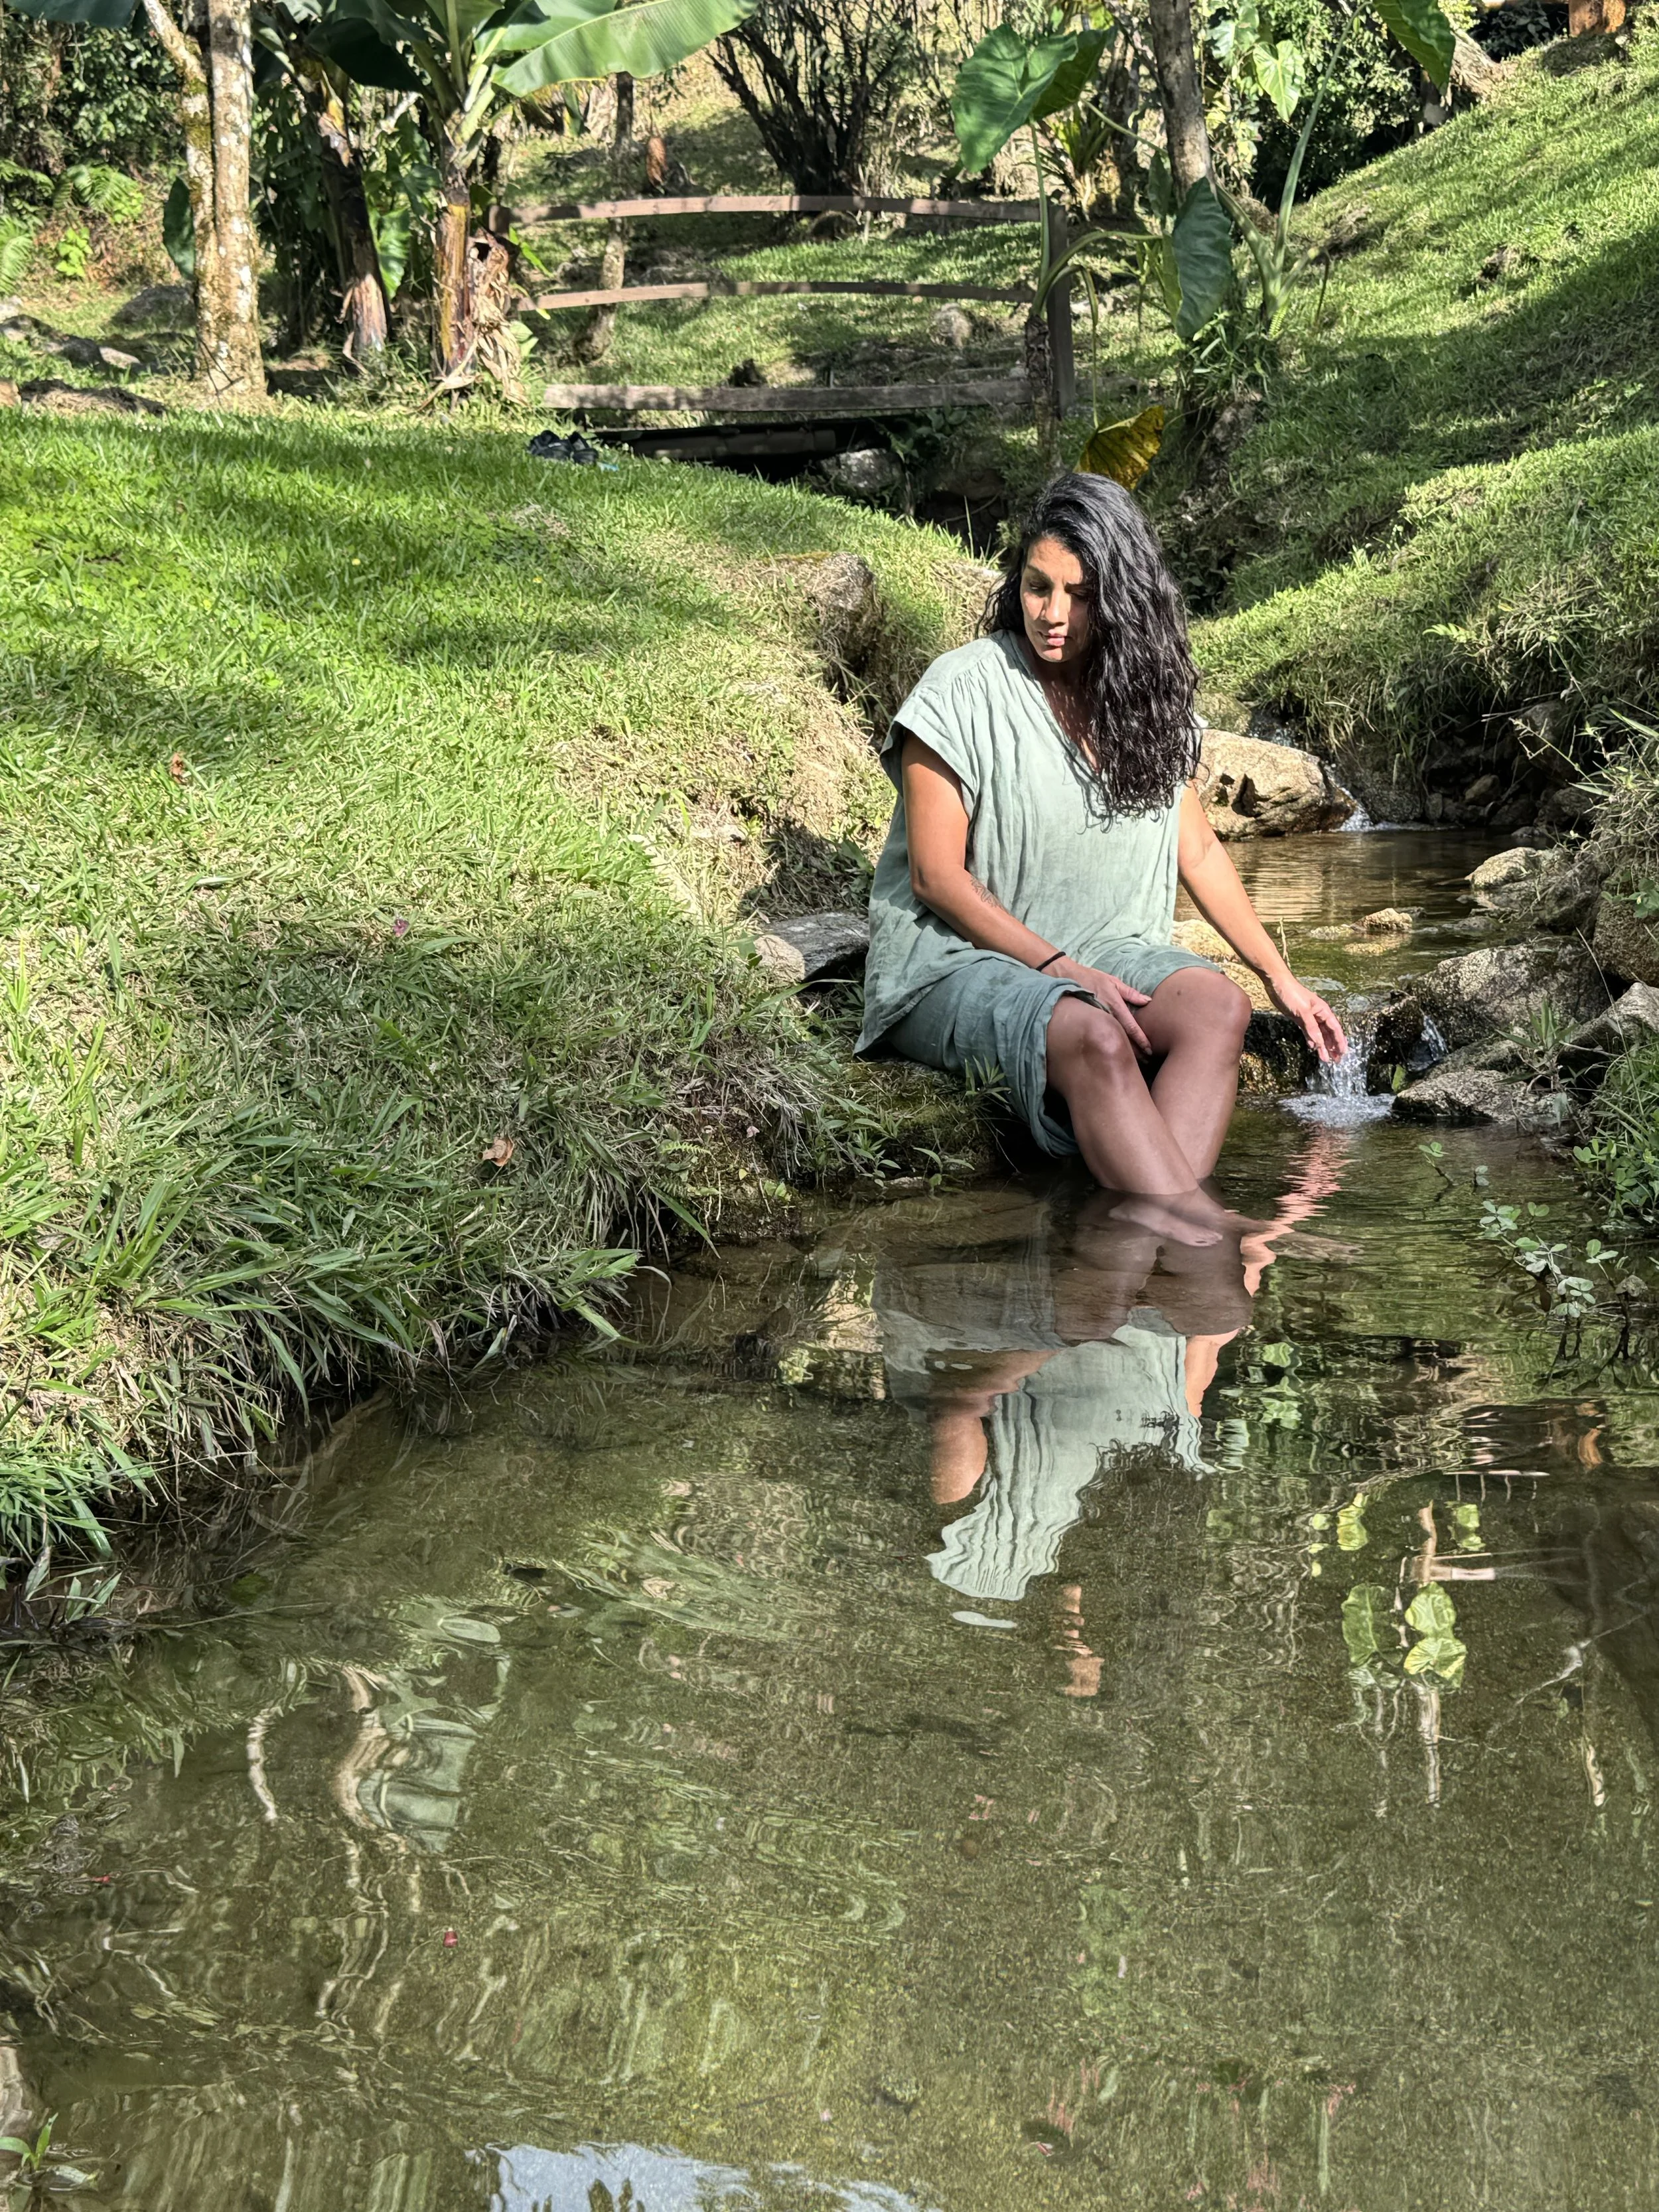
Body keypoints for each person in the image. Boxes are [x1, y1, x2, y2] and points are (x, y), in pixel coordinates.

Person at [856, 473, 1347, 1248]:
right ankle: (1207, 1252)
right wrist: (1060, 969)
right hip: (951, 962)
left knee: (1219, 1008)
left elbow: (1197, 848)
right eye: (1036, 586)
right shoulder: (960, 687)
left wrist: (1277, 978)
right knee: (1090, 1033)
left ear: (1120, 599)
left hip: (1109, 946)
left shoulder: (1147, 706)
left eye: (1079, 594)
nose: (1053, 614)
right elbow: (935, 878)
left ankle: (1160, 1261)